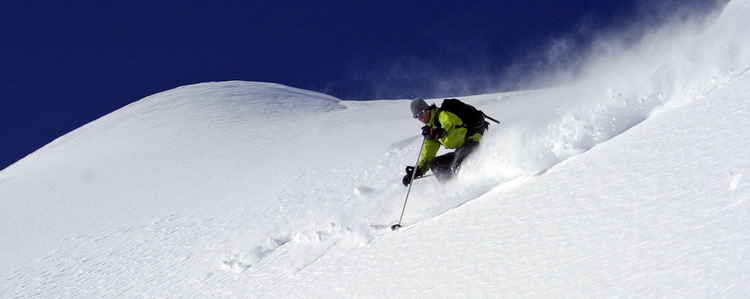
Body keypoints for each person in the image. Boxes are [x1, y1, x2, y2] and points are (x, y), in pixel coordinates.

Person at [402, 98, 487, 186]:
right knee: (435, 163)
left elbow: (449, 123)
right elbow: (427, 156)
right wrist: (417, 171)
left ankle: (470, 185)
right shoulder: (431, 131)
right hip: (461, 149)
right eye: (416, 116)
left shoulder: (442, 114)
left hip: (472, 141)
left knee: (457, 164)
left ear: (427, 109)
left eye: (420, 113)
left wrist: (440, 131)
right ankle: (452, 188)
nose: (420, 118)